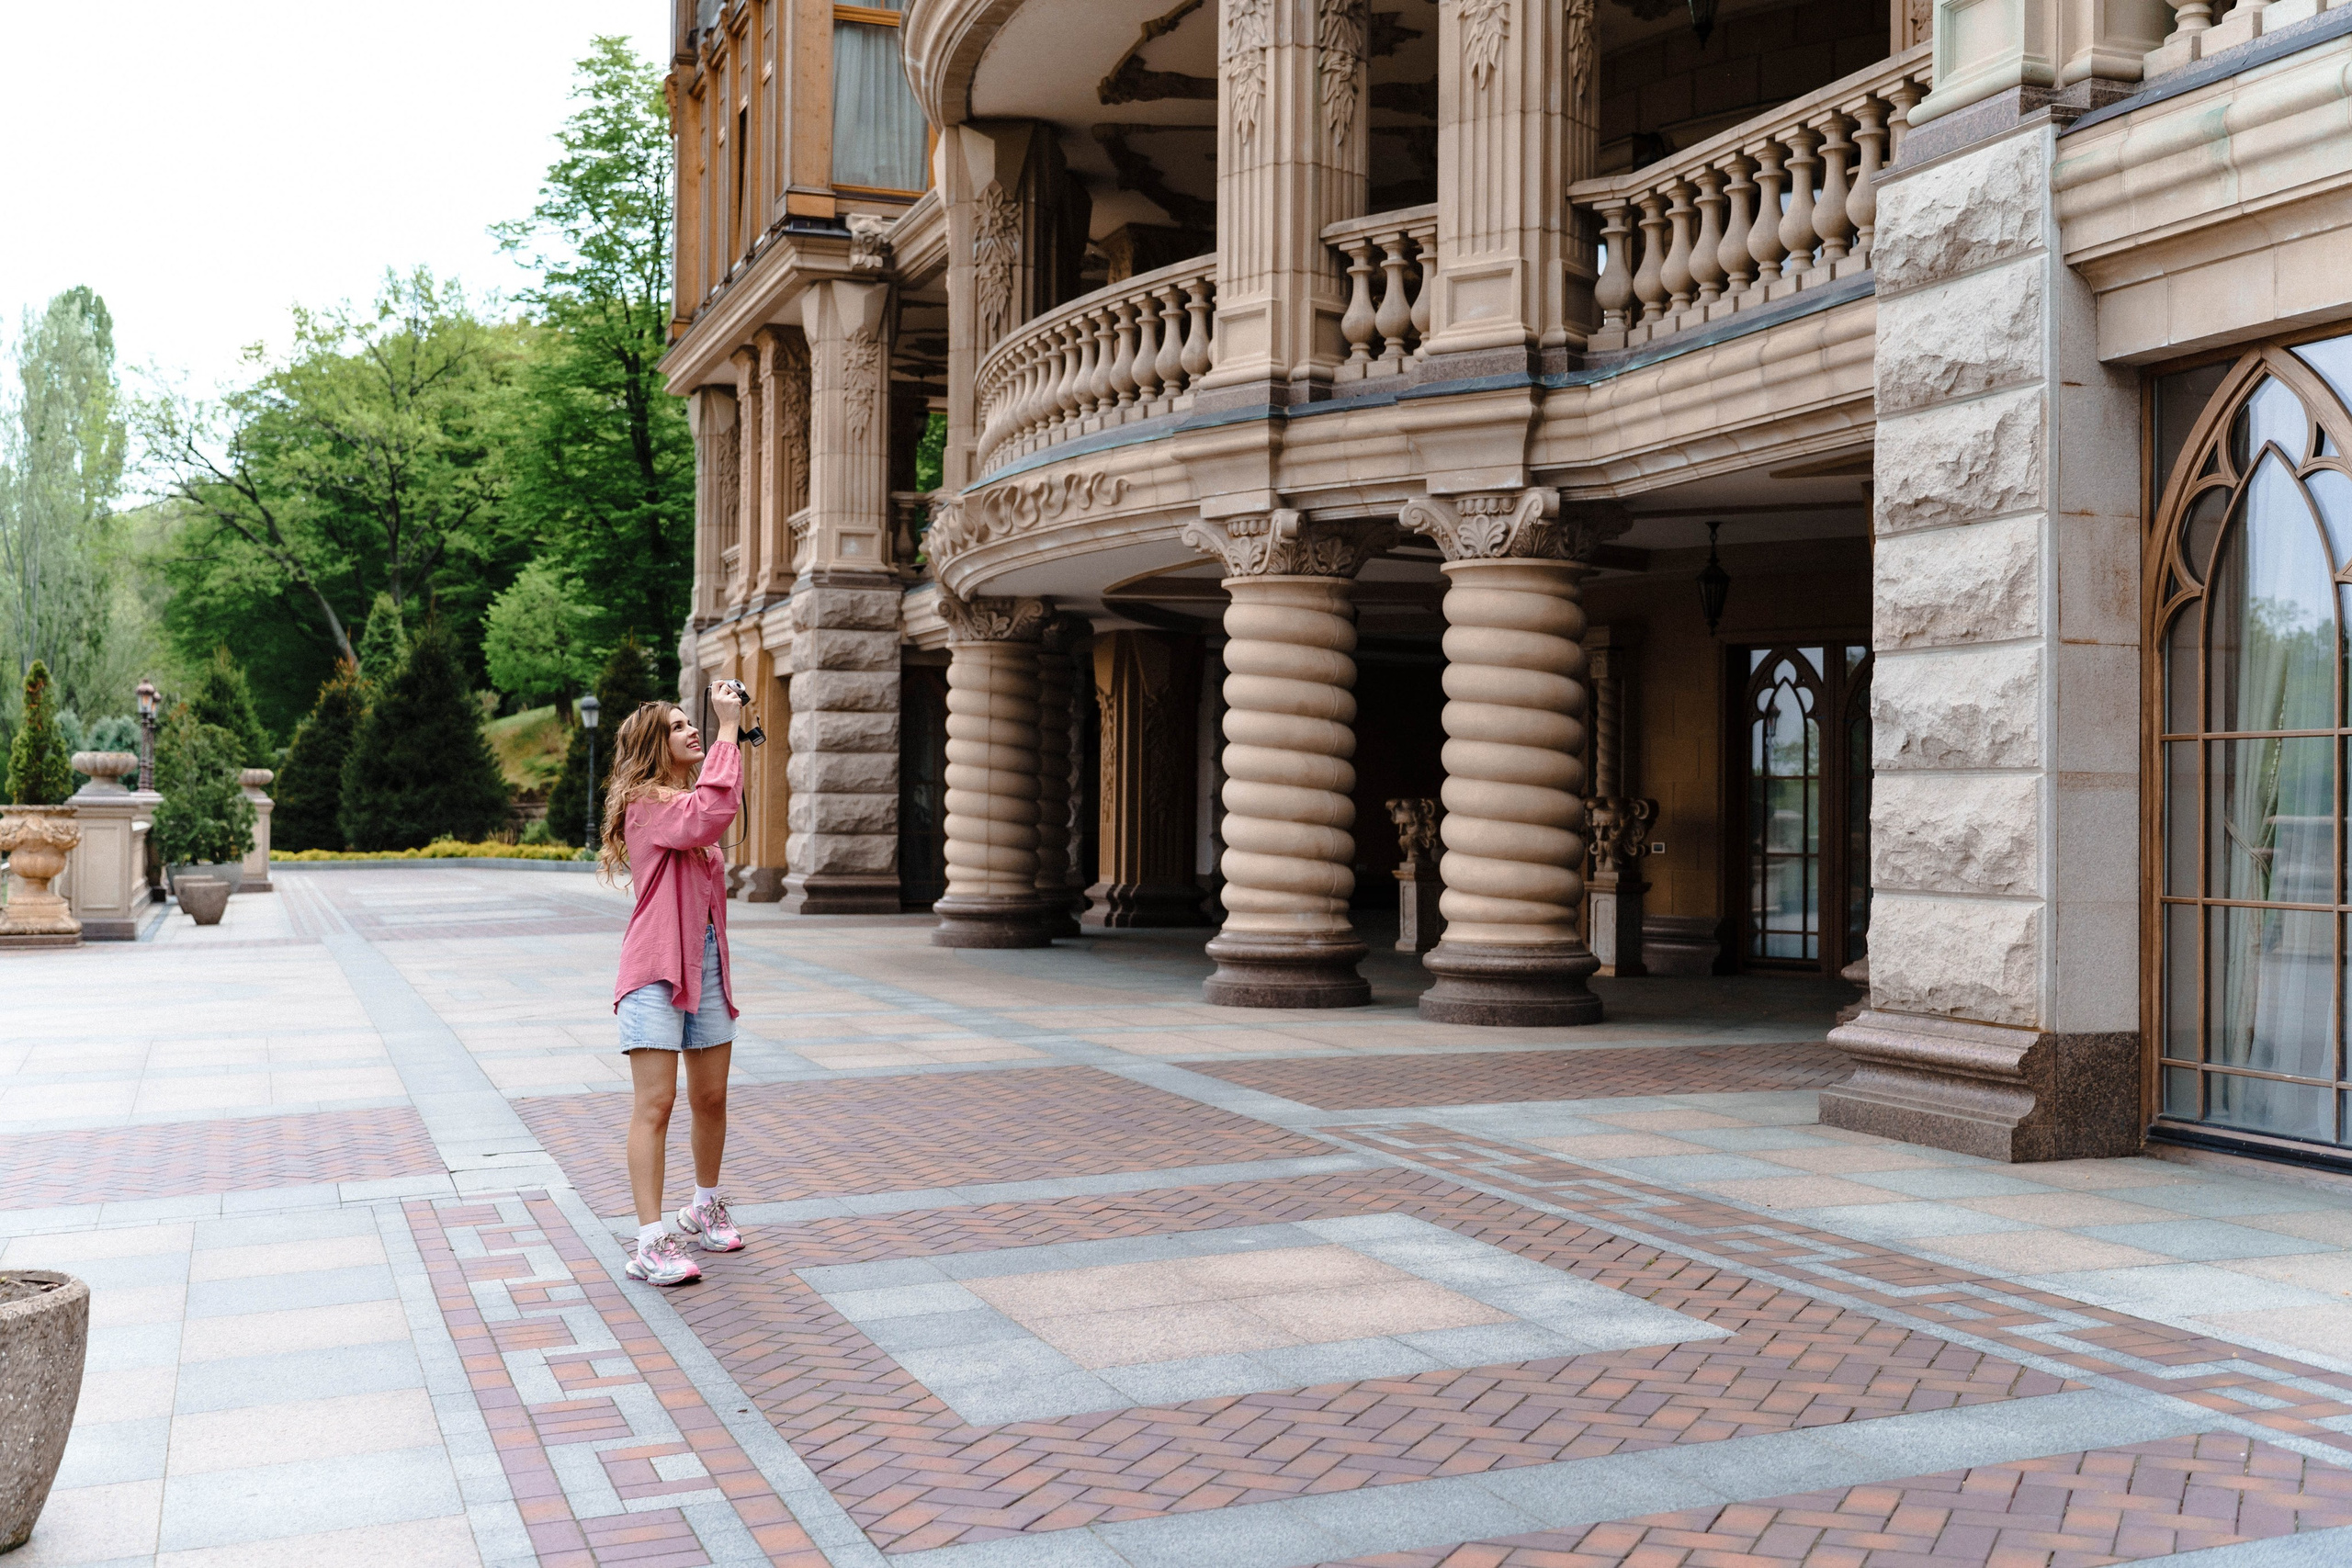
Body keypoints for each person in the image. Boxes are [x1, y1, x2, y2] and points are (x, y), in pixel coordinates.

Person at [601, 683, 749, 1285]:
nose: (693, 731)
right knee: (656, 1103)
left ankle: (703, 1206)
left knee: (711, 1097)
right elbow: (711, 813)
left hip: (706, 968)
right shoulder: (647, 804)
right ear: (652, 744)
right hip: (656, 971)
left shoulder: (682, 804)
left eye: (695, 723)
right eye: (680, 726)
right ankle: (649, 1242)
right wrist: (727, 728)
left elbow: (712, 809)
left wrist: (726, 742)